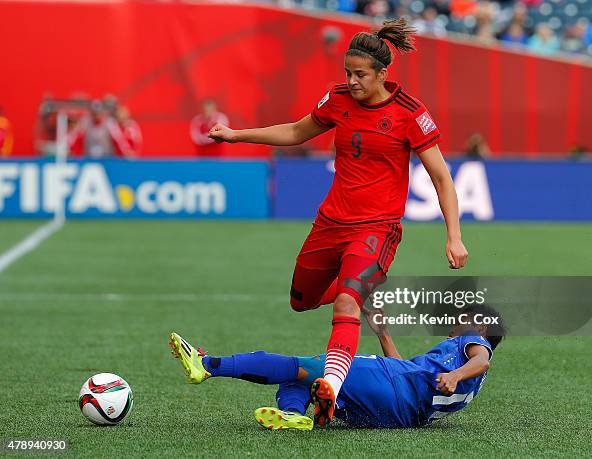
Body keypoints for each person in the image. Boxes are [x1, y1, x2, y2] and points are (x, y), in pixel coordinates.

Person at [208, 18, 469, 427]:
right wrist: (237, 135)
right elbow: (296, 131)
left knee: (346, 302)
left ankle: (331, 382)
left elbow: (441, 177)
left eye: (360, 74)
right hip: (330, 223)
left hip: (376, 228)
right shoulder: (338, 98)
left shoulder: (410, 114)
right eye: (348, 72)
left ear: (383, 73)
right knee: (302, 300)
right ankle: (358, 289)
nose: (353, 80)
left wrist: (454, 237)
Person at [168, 305, 504, 430]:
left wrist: (457, 374)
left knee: (305, 366)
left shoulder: (475, 347)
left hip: (393, 386)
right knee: (299, 380)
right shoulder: (460, 362)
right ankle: (297, 416)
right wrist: (383, 333)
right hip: (396, 413)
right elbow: (409, 371)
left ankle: (208, 364)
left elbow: (481, 359)